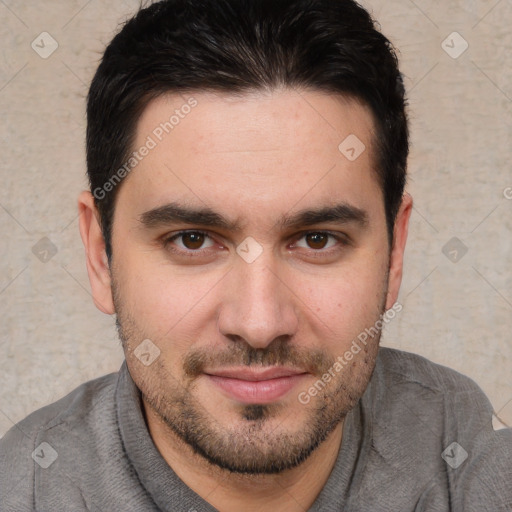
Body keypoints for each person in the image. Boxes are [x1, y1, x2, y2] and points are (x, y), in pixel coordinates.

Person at [1, 0, 511, 510]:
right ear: (100, 256)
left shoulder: (469, 457)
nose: (259, 323)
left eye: (317, 239)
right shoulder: (23, 489)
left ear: (395, 252)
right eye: (193, 240)